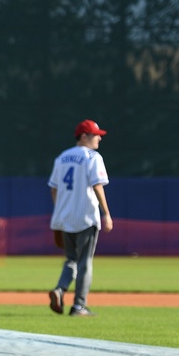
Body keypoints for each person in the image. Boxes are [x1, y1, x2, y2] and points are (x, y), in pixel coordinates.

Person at [48, 119, 114, 317]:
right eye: (96, 135)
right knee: (85, 262)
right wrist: (107, 213)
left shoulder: (62, 157)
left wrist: (60, 209)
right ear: (84, 136)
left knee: (71, 259)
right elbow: (97, 185)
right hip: (86, 216)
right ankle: (79, 306)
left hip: (65, 217)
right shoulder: (92, 157)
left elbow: (53, 188)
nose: (99, 139)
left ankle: (60, 289)